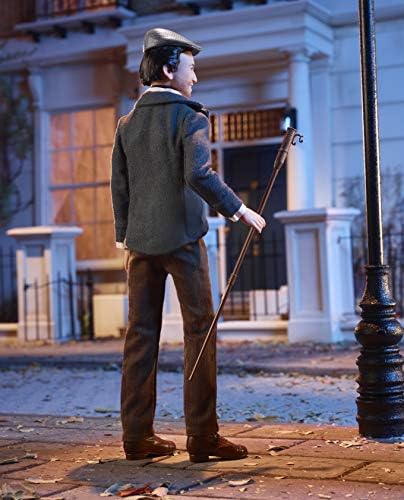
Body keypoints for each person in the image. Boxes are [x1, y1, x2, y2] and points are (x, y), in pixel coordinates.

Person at [110, 27, 266, 463]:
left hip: (139, 245)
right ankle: (202, 436)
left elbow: (118, 187)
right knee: (200, 331)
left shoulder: (127, 124)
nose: (194, 77)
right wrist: (239, 209)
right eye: (190, 68)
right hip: (182, 241)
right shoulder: (190, 116)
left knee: (140, 337)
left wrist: (125, 237)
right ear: (168, 69)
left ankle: (137, 437)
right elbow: (198, 173)